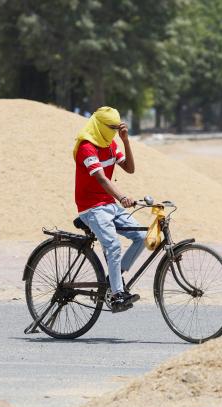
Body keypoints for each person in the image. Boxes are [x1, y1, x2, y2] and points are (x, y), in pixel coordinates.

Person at [73, 106, 146, 313]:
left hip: (109, 205)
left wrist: (126, 140)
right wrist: (122, 197)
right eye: (111, 128)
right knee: (113, 246)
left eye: (117, 127)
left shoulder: (111, 145)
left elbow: (130, 169)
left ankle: (114, 279)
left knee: (142, 237)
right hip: (91, 208)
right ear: (99, 125)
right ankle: (116, 294)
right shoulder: (86, 147)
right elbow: (101, 179)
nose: (114, 132)